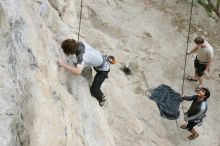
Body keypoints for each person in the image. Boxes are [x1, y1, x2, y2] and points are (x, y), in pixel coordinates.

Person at [57, 39, 116, 106]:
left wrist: (63, 64)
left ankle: (102, 98)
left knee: (94, 90)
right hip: (100, 60)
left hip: (103, 70)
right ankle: (99, 73)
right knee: (84, 64)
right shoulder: (81, 43)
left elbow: (77, 72)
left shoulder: (82, 57)